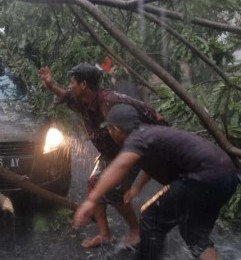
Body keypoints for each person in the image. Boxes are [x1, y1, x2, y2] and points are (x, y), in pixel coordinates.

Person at [74, 104, 238, 260]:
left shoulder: (137, 138)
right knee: (194, 234)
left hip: (204, 177)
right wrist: (137, 187)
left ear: (116, 129)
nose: (109, 133)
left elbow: (121, 165)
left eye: (109, 129)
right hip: (227, 177)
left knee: (151, 219)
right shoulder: (149, 133)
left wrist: (91, 200)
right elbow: (151, 166)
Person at [39, 63, 167, 248]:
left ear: (83, 84)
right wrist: (50, 85)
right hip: (110, 153)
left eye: (71, 82)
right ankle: (105, 235)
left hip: (130, 151)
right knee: (94, 185)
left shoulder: (110, 102)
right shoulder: (82, 99)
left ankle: (136, 230)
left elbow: (151, 116)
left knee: (114, 192)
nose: (69, 86)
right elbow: (66, 97)